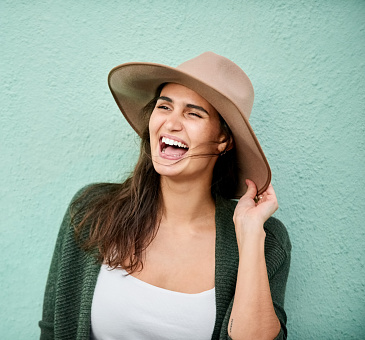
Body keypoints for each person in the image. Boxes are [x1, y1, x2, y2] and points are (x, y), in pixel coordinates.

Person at [39, 52, 291, 340]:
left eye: (193, 113)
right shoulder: (90, 210)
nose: (171, 123)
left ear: (223, 140)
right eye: (164, 107)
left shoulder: (266, 239)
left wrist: (250, 238)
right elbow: (53, 329)